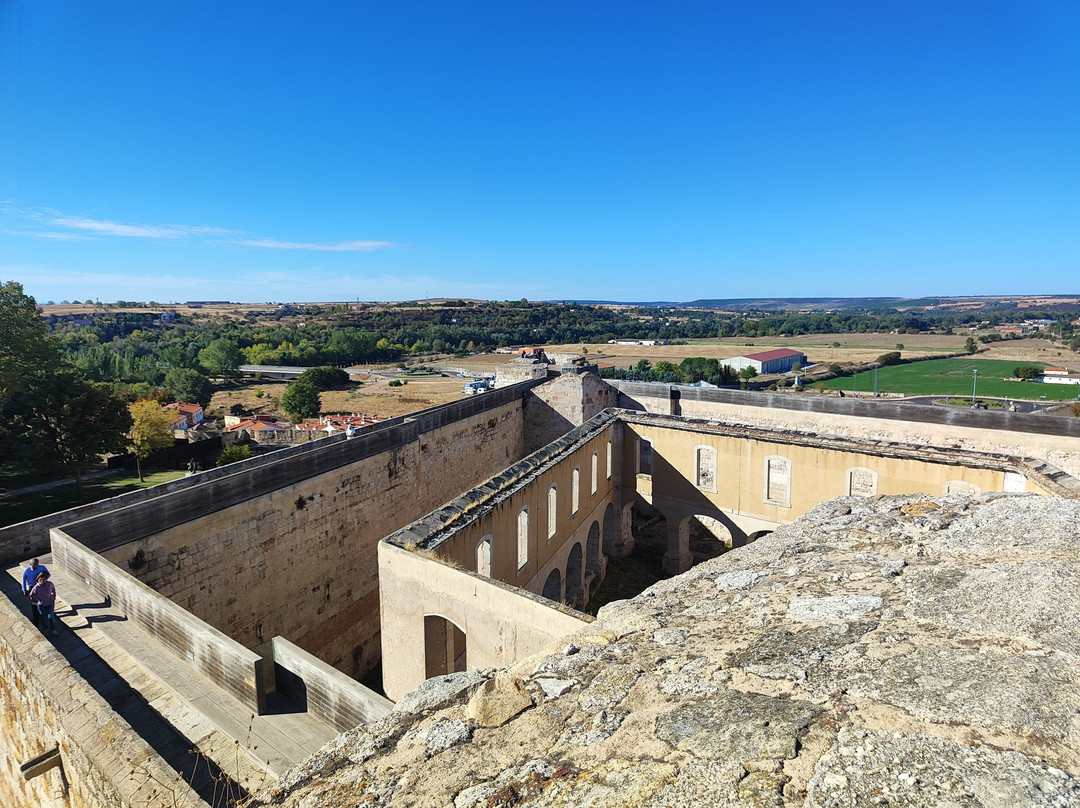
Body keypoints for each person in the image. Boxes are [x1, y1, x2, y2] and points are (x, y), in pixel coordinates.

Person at [29, 570, 58, 636]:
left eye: (44, 579)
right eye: (41, 579)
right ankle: (46, 629)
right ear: (38, 580)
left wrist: (53, 597)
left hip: (49, 603)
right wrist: (36, 601)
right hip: (41, 605)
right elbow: (31, 595)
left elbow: (53, 590)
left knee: (51, 617)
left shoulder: (49, 584)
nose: (43, 580)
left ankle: (53, 630)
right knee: (43, 617)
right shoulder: (36, 588)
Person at [21, 558, 49, 627]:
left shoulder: (42, 567)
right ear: (30, 564)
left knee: (43, 601)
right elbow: (23, 580)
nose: (36, 566)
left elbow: (48, 574)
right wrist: (24, 589)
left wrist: (43, 579)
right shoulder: (26, 571)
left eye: (37, 564)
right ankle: (36, 619)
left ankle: (43, 615)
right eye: (34, 565)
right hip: (32, 587)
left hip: (41, 586)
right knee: (34, 603)